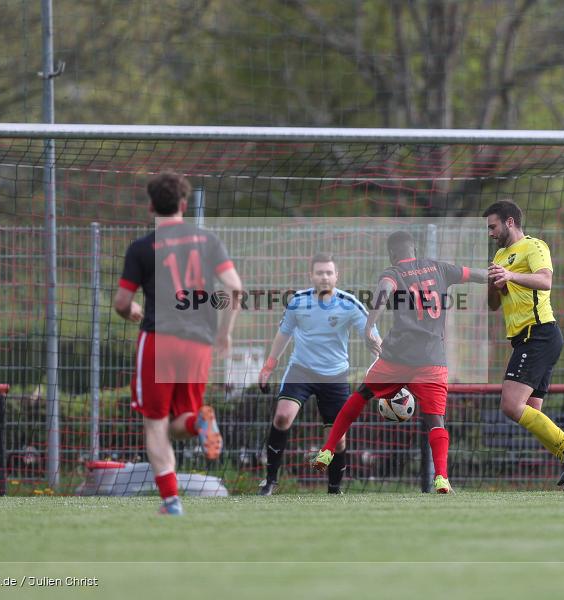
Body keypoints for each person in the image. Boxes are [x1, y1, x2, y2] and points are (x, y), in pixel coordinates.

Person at [312, 231, 487, 494]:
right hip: (432, 359)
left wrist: (370, 325)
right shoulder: (440, 267)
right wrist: (503, 275)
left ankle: (327, 451)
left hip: (398, 356)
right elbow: (476, 275)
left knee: (360, 396)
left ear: (392, 254)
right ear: (413, 249)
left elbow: (384, 292)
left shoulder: (393, 272)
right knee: (436, 421)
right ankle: (441, 477)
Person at [114, 171, 242, 515]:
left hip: (159, 340)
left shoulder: (142, 247)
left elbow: (122, 304)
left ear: (152, 206)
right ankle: (200, 421)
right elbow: (234, 288)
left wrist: (132, 312)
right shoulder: (208, 241)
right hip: (199, 343)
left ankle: (171, 502)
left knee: (155, 423)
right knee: (181, 420)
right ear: (184, 204)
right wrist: (224, 332)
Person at [483, 200, 564, 490]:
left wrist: (511, 275)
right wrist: (494, 284)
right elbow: (494, 305)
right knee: (531, 409)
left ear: (509, 222)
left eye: (493, 226)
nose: (490, 233)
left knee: (510, 405)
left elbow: (546, 281)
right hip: (526, 338)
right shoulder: (500, 255)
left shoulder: (534, 246)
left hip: (539, 334)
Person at [256, 254, 378, 496]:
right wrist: (268, 366)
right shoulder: (298, 302)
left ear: (336, 276)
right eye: (320, 272)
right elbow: (284, 334)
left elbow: (371, 333)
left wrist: (379, 357)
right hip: (300, 370)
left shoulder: (349, 303)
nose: (324, 277)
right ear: (311, 276)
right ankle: (269, 481)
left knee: (337, 439)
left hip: (334, 376)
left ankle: (334, 489)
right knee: (282, 417)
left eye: (329, 273)